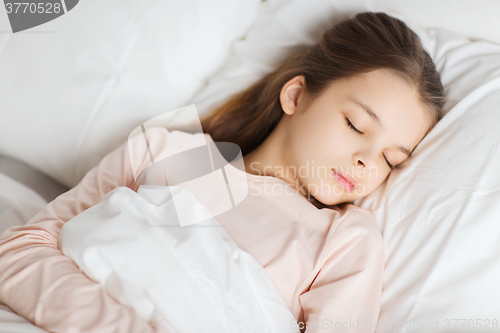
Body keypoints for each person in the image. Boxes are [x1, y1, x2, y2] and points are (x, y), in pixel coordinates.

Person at [0, 12, 445, 333]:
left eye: (392, 159)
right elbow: (18, 252)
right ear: (296, 96)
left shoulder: (344, 238)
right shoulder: (170, 154)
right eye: (356, 125)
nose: (369, 161)